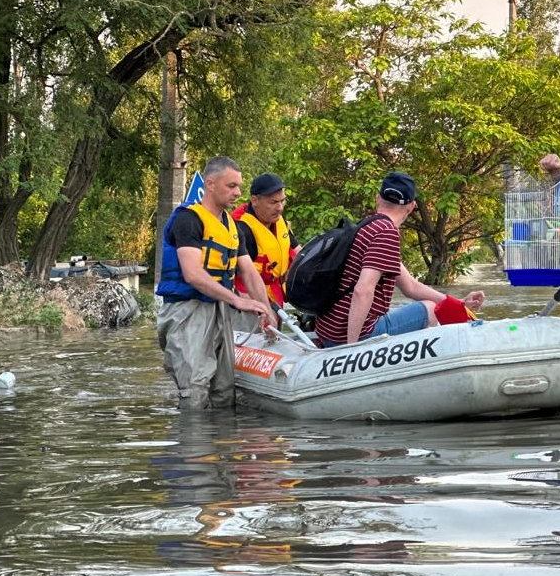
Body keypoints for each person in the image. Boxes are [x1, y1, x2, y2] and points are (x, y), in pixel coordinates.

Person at [155, 156, 277, 410]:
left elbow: (248, 272)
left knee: (224, 390)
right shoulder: (188, 220)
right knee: (195, 388)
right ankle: (193, 446)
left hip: (219, 309)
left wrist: (266, 311)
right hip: (186, 310)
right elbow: (193, 274)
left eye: (239, 186)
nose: (238, 193)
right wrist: (236, 299)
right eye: (231, 186)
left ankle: (221, 444)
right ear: (210, 184)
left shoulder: (232, 226)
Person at [315, 171, 485, 346]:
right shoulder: (385, 232)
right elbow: (362, 290)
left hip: (329, 330)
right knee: (431, 309)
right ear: (411, 207)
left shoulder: (366, 225)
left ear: (377, 198)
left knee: (425, 305)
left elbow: (410, 286)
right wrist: (351, 349)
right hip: (349, 336)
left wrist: (459, 303)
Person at [231, 172, 302, 314]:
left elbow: (298, 251)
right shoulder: (242, 228)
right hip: (249, 304)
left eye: (282, 201)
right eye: (273, 202)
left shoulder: (279, 220)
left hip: (276, 297)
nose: (280, 208)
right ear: (255, 200)